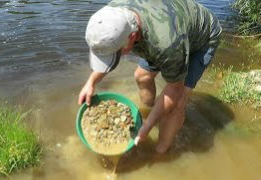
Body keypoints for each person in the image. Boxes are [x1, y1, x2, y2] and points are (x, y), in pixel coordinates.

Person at [78, 0, 222, 154]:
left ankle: (161, 153)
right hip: (168, 26)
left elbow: (174, 89)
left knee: (177, 104)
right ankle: (151, 109)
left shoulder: (167, 44)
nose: (118, 55)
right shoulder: (113, 13)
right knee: (142, 76)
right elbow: (108, 49)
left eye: (118, 51)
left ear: (132, 37)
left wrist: (148, 126)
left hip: (202, 38)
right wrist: (91, 82)